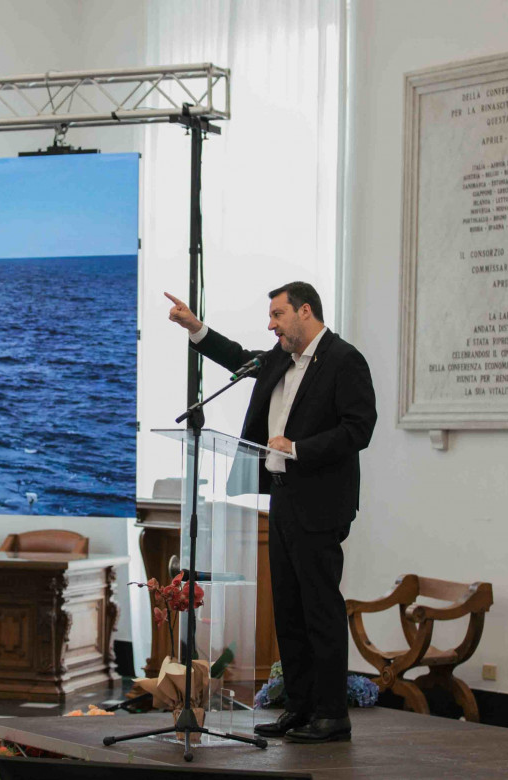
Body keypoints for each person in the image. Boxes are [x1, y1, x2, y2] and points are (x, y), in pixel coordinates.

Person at [165, 282, 376, 743]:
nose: (271, 324)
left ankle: (331, 714)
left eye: (278, 315)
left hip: (320, 503)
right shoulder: (279, 358)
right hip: (280, 499)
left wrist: (299, 448)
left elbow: (359, 429)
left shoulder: (344, 360)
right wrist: (196, 328)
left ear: (305, 311)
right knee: (289, 611)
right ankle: (297, 708)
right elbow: (239, 357)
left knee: (319, 609)